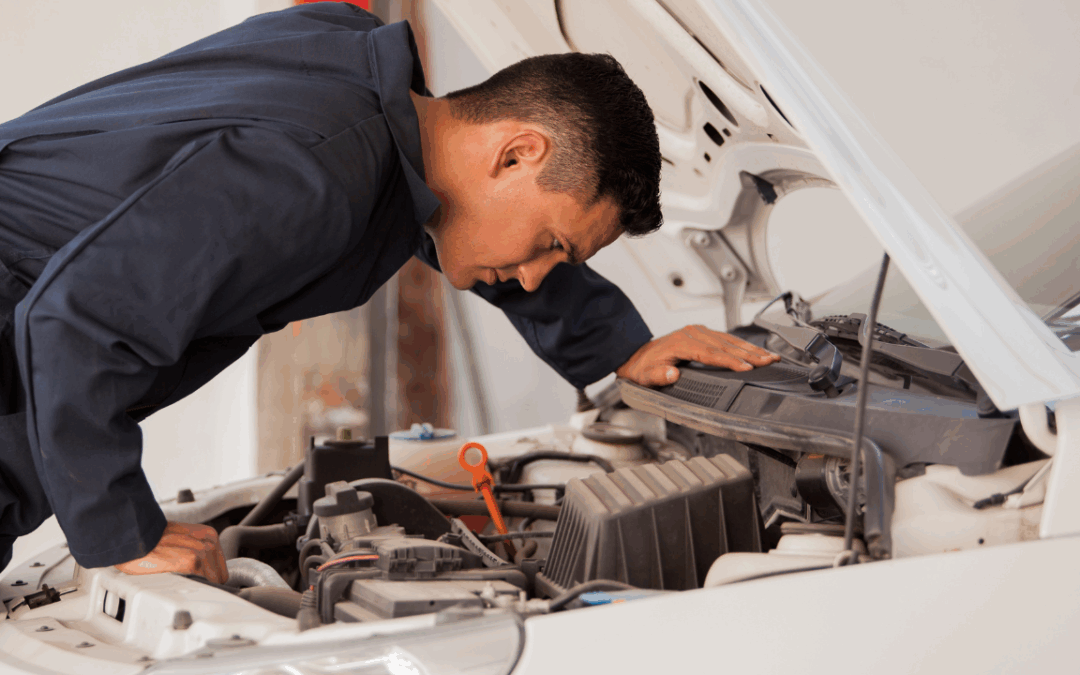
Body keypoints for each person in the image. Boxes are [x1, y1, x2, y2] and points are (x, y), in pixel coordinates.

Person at [0, 3, 778, 583]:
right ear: (515, 154)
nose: (539, 270)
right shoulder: (317, 172)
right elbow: (77, 319)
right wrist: (122, 532)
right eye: (551, 242)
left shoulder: (363, 91)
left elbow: (446, 231)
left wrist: (625, 348)